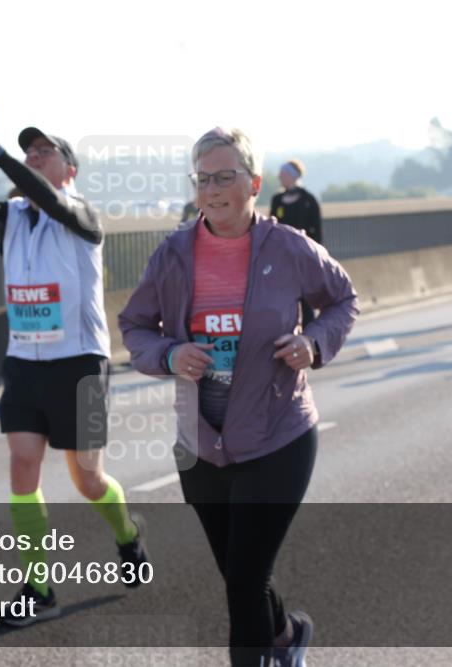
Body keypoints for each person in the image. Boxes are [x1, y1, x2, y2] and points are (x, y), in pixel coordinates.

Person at [119, 127, 359, 666]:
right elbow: (135, 324)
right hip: (201, 445)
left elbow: (343, 299)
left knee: (244, 580)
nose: (211, 189)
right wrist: (169, 354)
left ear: (253, 183)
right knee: (240, 571)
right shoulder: (174, 254)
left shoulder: (289, 247)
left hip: (278, 436)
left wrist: (312, 342)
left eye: (224, 177)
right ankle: (287, 635)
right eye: (202, 179)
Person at [0, 100, 148, 627]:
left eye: (45, 150)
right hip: (24, 363)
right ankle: (39, 587)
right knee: (22, 466)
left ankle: (127, 535)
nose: (34, 155)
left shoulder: (82, 216)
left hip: (79, 362)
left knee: (87, 478)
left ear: (70, 169)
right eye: (28, 149)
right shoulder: (12, 218)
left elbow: (47, 199)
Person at [270, 159, 323, 329]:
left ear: (293, 176)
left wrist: (316, 256)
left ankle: (309, 334)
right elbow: (273, 226)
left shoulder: (308, 200)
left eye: (283, 174)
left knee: (305, 297)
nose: (280, 177)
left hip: (303, 256)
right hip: (282, 256)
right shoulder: (277, 200)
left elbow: (317, 231)